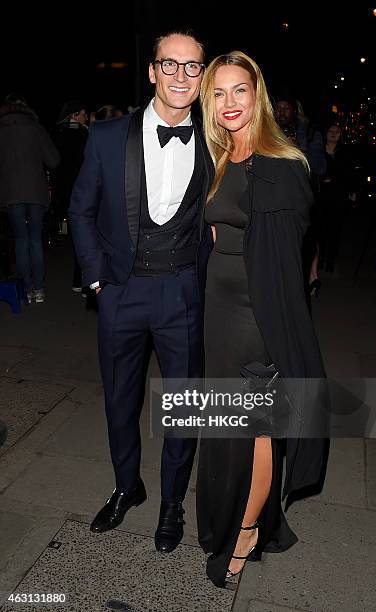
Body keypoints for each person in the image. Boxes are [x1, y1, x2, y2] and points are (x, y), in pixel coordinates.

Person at [69, 30, 213, 553]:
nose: (180, 75)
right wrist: (96, 277)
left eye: (191, 67)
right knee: (119, 401)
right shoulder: (106, 136)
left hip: (183, 294)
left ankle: (173, 501)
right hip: (121, 293)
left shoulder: (217, 140)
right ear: (152, 71)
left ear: (202, 78)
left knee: (185, 405)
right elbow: (80, 210)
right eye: (169, 65)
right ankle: (128, 486)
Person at [196, 51, 329, 588]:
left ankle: (248, 531)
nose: (229, 102)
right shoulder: (223, 154)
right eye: (219, 93)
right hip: (219, 311)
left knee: (256, 432)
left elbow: (286, 265)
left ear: (259, 95)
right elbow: (218, 236)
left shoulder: (283, 164)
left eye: (239, 91)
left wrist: (279, 337)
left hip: (257, 317)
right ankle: (234, 520)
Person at [0, 93, 60, 303]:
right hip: (35, 191)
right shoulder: (35, 128)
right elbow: (53, 160)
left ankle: (24, 289)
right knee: (35, 239)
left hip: (11, 193)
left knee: (20, 239)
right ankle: (39, 289)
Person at [54, 100, 89, 293]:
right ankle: (83, 281)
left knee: (78, 236)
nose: (85, 116)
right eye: (82, 113)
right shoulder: (85, 135)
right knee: (86, 237)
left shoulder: (58, 135)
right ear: (73, 116)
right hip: (84, 193)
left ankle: (79, 280)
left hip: (68, 193)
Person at [317, 122, 358, 274]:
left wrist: (352, 191)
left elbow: (350, 174)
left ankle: (330, 260)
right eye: (331, 130)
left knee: (335, 231)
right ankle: (319, 259)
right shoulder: (318, 150)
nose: (334, 133)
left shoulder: (344, 153)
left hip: (338, 197)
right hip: (320, 196)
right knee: (320, 230)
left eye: (337, 131)